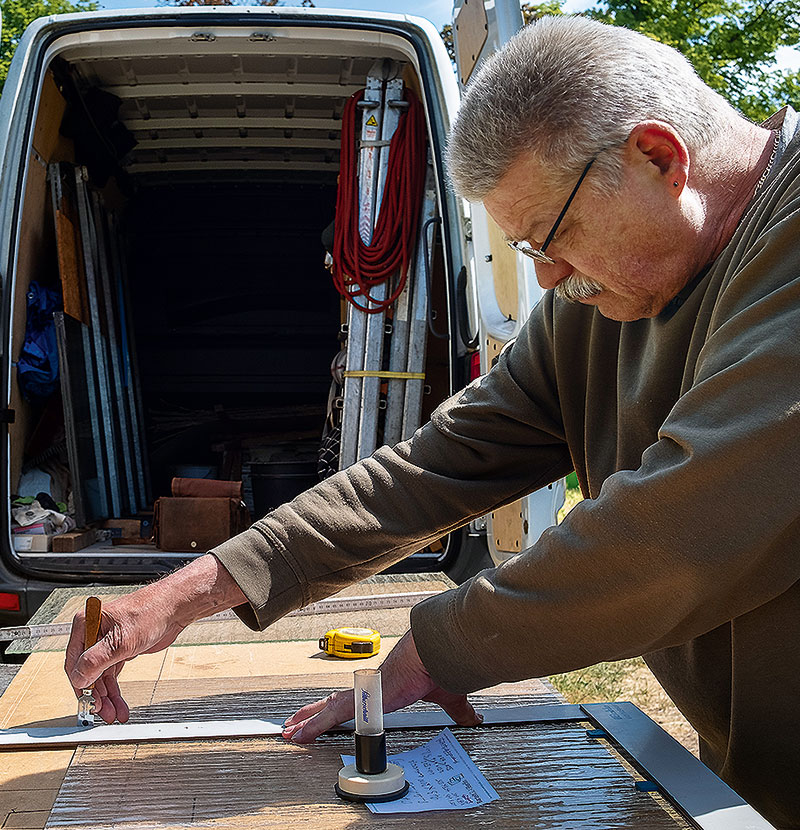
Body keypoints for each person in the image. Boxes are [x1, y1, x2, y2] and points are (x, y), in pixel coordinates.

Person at [65, 17, 800, 828]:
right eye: (525, 249)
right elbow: (436, 466)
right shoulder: (602, 294)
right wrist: (187, 592)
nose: (550, 278)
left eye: (555, 236)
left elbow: (681, 530)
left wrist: (441, 645)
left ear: (660, 158)